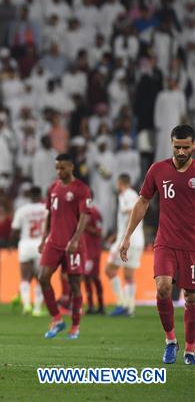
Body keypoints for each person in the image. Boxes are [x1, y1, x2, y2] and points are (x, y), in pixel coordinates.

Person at [118, 124, 195, 365]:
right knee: (162, 288)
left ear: (193, 145)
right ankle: (170, 341)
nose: (181, 152)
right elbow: (142, 202)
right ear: (171, 144)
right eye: (177, 147)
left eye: (186, 147)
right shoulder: (158, 170)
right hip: (166, 242)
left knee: (192, 298)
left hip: (193, 245)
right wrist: (127, 235)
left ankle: (191, 349)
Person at [38, 153, 93, 340]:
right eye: (57, 168)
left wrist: (76, 240)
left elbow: (85, 216)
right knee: (43, 278)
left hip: (73, 245)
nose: (59, 171)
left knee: (75, 285)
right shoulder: (53, 187)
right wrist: (44, 237)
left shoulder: (82, 189)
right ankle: (57, 319)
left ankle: (75, 326)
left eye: (62, 168)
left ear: (71, 167)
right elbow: (49, 214)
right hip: (54, 242)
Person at [105, 173, 142, 317]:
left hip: (127, 240)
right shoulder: (135, 195)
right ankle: (130, 308)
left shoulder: (125, 195)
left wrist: (123, 238)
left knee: (109, 270)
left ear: (120, 183)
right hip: (138, 240)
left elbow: (130, 212)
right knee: (129, 276)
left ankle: (121, 304)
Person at [11, 186, 47, 316]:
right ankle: (37, 309)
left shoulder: (22, 210)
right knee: (40, 278)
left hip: (26, 244)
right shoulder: (46, 209)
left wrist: (12, 244)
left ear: (29, 196)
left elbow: (14, 230)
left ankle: (26, 306)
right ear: (41, 195)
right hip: (41, 245)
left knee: (25, 277)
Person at [82, 205, 105, 315]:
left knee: (94, 277)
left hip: (93, 251)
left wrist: (85, 227)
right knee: (86, 277)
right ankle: (91, 306)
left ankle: (100, 306)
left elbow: (99, 231)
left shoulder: (94, 212)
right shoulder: (82, 211)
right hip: (85, 251)